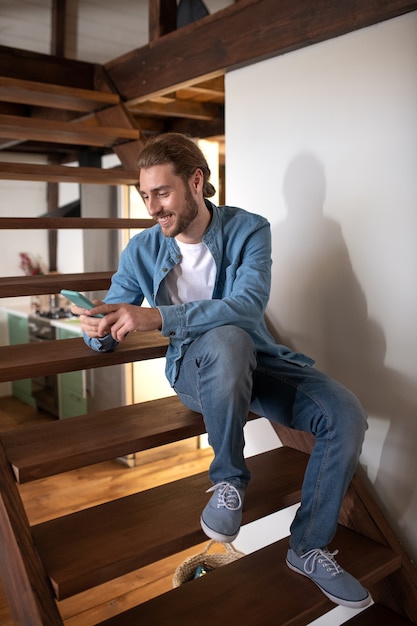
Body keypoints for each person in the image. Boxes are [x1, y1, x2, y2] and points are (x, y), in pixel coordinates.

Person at [75, 132, 371, 609]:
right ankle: (229, 480)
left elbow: (246, 307)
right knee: (226, 341)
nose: (153, 207)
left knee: (345, 414)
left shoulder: (250, 229)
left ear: (196, 181)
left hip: (256, 360)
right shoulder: (142, 250)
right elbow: (112, 321)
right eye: (145, 195)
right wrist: (97, 327)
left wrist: (160, 317)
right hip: (194, 372)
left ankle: (309, 546)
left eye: (163, 193)